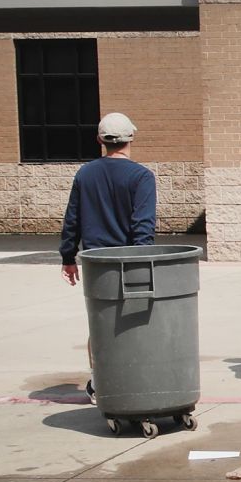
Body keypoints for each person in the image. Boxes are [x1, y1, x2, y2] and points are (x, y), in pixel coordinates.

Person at [60, 113, 156, 394]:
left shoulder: (85, 174)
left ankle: (99, 382)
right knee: (136, 321)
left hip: (96, 262)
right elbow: (143, 227)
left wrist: (68, 257)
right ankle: (134, 379)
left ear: (99, 139)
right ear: (131, 138)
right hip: (130, 261)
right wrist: (143, 263)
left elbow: (72, 219)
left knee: (100, 322)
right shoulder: (141, 177)